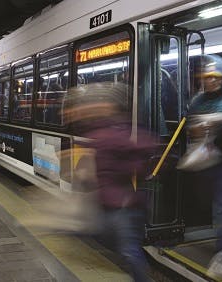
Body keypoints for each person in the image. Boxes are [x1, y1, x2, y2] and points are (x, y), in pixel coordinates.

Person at [65, 82, 155, 282]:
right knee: (111, 241)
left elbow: (140, 157)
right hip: (109, 203)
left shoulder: (114, 133)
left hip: (124, 204)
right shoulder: (99, 133)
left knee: (129, 250)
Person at [183, 54, 222, 280]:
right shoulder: (198, 100)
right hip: (207, 163)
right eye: (206, 77)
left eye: (215, 77)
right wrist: (200, 127)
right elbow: (190, 125)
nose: (211, 81)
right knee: (217, 208)